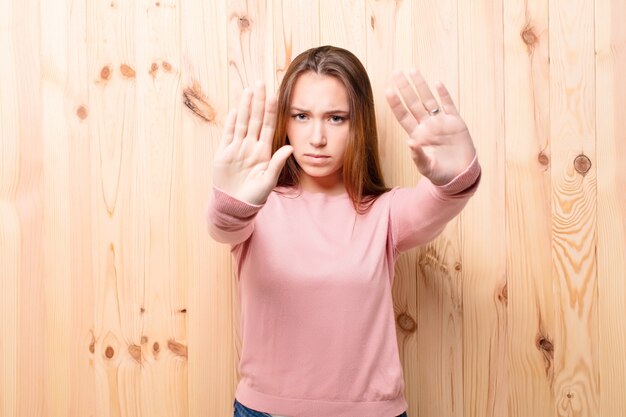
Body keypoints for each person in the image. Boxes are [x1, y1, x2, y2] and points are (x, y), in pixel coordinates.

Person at [207, 45, 481, 417]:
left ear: (358, 124)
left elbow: (437, 203)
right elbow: (223, 228)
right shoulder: (254, 206)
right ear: (284, 122)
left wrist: (455, 177)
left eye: (336, 118)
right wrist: (233, 202)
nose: (316, 137)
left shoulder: (385, 213)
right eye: (301, 116)